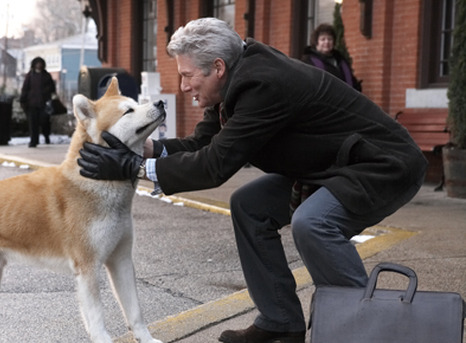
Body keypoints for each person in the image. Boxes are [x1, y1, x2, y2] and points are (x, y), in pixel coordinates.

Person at [77, 18, 427, 343]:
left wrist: (129, 169)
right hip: (332, 166)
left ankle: (370, 327)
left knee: (313, 223)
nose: (183, 87)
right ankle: (280, 320)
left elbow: (214, 165)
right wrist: (143, 148)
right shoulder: (234, 79)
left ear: (217, 68)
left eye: (187, 76)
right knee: (249, 205)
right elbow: (202, 144)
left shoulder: (263, 84)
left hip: (382, 165)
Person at [302, 23, 361, 91]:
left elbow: (351, 81)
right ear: (316, 42)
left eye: (330, 39)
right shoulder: (308, 61)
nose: (327, 42)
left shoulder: (340, 60)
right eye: (323, 39)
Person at [19, 56, 56, 148]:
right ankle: (33, 141)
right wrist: (23, 100)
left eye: (40, 63)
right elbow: (25, 89)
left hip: (44, 104)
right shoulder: (30, 76)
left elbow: (52, 88)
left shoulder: (47, 76)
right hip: (32, 104)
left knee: (45, 122)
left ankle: (46, 136)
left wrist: (47, 93)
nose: (39, 65)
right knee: (33, 123)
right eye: (37, 63)